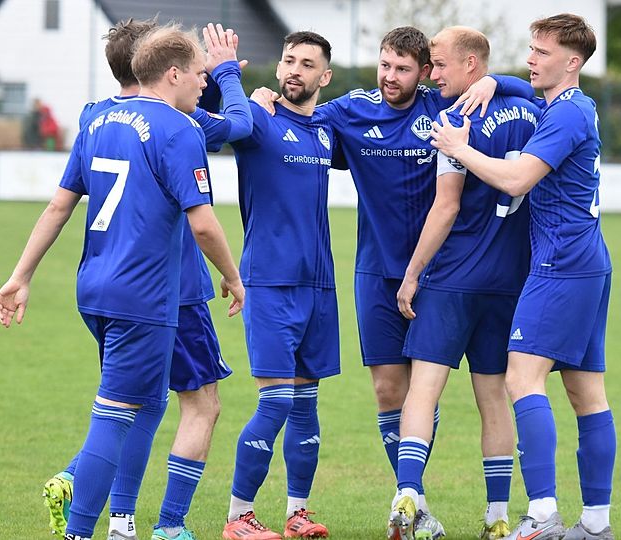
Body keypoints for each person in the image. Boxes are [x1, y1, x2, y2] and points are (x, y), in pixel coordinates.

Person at [252, 27, 534, 533]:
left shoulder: (444, 110)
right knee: (389, 390)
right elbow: (298, 114)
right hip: (376, 271)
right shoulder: (352, 111)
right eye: (385, 65)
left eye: (403, 69)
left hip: (441, 275)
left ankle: (416, 494)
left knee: (424, 390)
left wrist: (496, 82)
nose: (390, 77)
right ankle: (415, 501)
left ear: (425, 71)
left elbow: (524, 88)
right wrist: (261, 95)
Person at [0, 24, 245, 540]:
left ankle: (122, 522)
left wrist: (21, 275)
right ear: (172, 73)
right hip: (144, 294)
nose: (203, 82)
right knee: (114, 413)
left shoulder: (97, 118)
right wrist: (233, 276)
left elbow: (61, 203)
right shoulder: (180, 131)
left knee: (147, 402)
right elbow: (202, 222)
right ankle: (81, 532)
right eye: (198, 74)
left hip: (94, 287)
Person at [430, 13, 618, 540]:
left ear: (572, 62)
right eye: (531, 49)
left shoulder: (565, 117)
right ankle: (596, 526)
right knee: (586, 393)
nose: (530, 59)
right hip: (586, 262)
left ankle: (541, 517)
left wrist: (459, 148)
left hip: (561, 265)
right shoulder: (573, 105)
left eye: (541, 51)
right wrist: (497, 80)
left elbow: (515, 180)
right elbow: (525, 86)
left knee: (521, 378)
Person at [386, 26, 538, 540]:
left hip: (453, 278)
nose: (433, 73)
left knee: (424, 389)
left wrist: (411, 276)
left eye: (441, 64)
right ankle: (497, 517)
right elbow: (524, 90)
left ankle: (407, 494)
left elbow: (446, 206)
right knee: (493, 397)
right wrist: (501, 82)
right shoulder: (534, 114)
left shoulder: (454, 121)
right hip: (511, 282)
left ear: (472, 65)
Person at [223, 31, 337, 540]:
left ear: (324, 77)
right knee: (276, 403)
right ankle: (238, 517)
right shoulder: (258, 122)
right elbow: (208, 114)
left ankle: (297, 513)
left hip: (320, 288)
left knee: (307, 405)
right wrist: (229, 76)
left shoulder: (328, 132)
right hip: (269, 283)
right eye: (289, 60)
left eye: (307, 63)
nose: (295, 69)